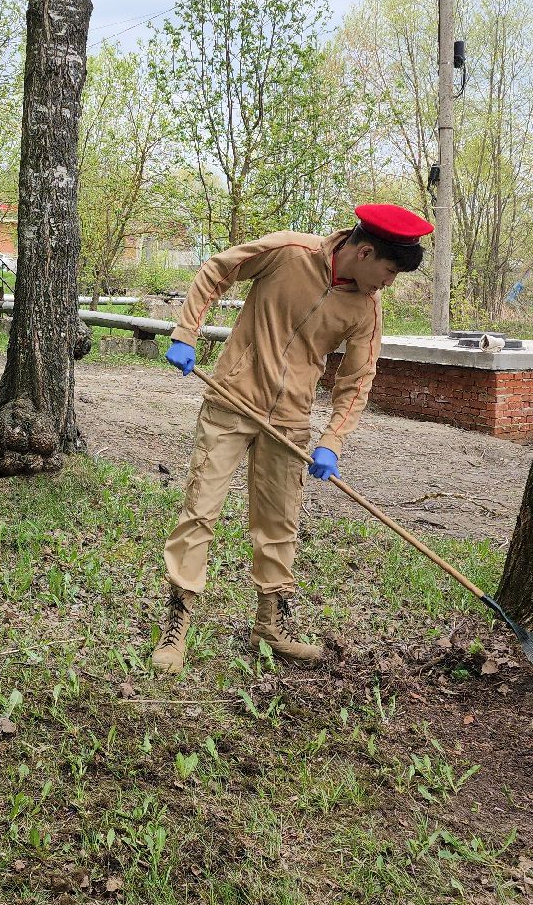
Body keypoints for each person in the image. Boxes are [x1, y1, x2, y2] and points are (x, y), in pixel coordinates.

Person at [150, 204, 431, 674]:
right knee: (200, 511)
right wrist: (186, 331)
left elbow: (358, 380)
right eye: (388, 271)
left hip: (290, 422)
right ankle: (175, 627)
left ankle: (270, 627)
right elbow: (218, 269)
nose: (388, 283)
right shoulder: (287, 252)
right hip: (230, 401)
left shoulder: (366, 309)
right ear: (364, 252)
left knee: (279, 526)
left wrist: (332, 440)